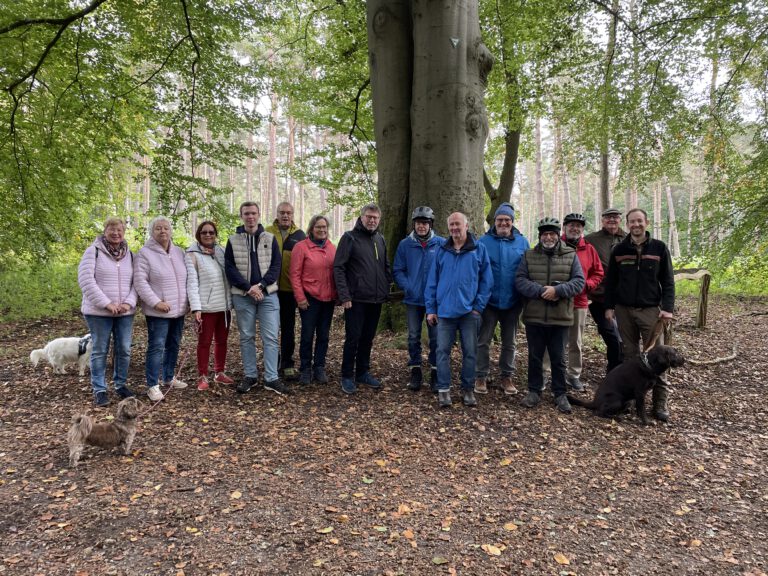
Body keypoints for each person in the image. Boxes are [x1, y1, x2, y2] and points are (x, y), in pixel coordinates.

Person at [604, 207, 675, 421]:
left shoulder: (659, 248)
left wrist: (667, 308)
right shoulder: (619, 250)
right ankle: (633, 401)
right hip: (624, 311)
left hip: (651, 311)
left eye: (639, 221)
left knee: (660, 357)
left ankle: (660, 404)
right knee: (631, 357)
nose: (636, 225)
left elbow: (668, 281)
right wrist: (609, 307)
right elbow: (611, 282)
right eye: (632, 222)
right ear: (627, 225)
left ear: (646, 222)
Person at [515, 217, 585, 414]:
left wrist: (559, 291)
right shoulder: (529, 255)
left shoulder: (571, 255)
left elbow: (579, 282)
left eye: (552, 233)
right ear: (540, 236)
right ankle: (534, 391)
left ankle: (560, 393)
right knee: (535, 356)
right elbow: (520, 280)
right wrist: (540, 291)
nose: (548, 237)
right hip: (534, 316)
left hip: (560, 317)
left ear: (557, 235)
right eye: (545, 234)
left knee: (558, 357)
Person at [425, 212, 493, 408]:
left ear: (466, 225)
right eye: (451, 225)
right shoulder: (441, 250)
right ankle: (444, 389)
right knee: (442, 351)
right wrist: (431, 309)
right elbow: (432, 281)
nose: (455, 228)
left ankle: (468, 389)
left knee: (470, 352)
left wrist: (477, 308)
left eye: (458, 224)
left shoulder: (478, 249)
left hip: (468, 313)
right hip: (445, 313)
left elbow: (486, 281)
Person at [225, 201, 290, 395]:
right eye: (246, 213)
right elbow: (230, 268)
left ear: (259, 214)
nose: (250, 217)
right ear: (241, 216)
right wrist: (248, 288)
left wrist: (260, 286)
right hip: (243, 296)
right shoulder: (232, 240)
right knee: (247, 337)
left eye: (253, 213)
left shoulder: (269, 239)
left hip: (268, 294)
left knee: (270, 337)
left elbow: (275, 267)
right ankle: (250, 376)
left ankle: (271, 378)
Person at [78, 217, 138, 407]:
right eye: (111, 229)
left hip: (124, 313)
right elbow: (86, 281)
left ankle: (120, 384)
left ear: (124, 232)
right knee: (100, 350)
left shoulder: (130, 255)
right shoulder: (93, 252)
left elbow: (137, 282)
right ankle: (100, 389)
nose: (115, 233)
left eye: (119, 230)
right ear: (105, 231)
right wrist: (107, 303)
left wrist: (128, 303)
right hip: (98, 312)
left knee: (124, 349)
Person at [333, 203, 392, 394]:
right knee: (353, 338)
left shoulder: (380, 239)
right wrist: (344, 295)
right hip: (355, 299)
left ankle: (363, 372)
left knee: (368, 338)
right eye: (369, 217)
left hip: (376, 299)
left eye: (375, 217)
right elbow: (339, 267)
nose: (372, 220)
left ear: (379, 219)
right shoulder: (350, 238)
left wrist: (386, 288)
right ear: (362, 217)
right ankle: (347, 375)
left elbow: (385, 267)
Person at [475, 202, 530, 396]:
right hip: (489, 301)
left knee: (510, 342)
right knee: (483, 341)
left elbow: (528, 271)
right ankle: (480, 375)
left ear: (512, 222)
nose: (503, 223)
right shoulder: (483, 242)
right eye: (500, 220)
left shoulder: (522, 243)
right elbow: (477, 271)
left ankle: (507, 376)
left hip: (513, 302)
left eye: (507, 220)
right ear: (494, 222)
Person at [134, 216, 189, 402]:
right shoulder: (144, 254)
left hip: (179, 309)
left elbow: (187, 279)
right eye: (158, 228)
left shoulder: (180, 252)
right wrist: (156, 302)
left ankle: (168, 377)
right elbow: (140, 282)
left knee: (173, 344)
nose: (163, 231)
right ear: (152, 232)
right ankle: (152, 385)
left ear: (171, 231)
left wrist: (188, 302)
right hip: (159, 311)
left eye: (166, 228)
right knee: (156, 347)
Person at [393, 206, 444, 392]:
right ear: (414, 224)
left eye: (425, 223)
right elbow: (398, 269)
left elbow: (445, 269)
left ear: (431, 224)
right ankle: (415, 369)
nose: (421, 226)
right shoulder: (405, 245)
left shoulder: (441, 244)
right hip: (413, 299)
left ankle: (435, 371)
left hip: (434, 301)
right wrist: (408, 286)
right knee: (414, 335)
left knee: (435, 337)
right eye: (418, 223)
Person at [558, 212, 604, 391]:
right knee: (554, 338)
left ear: (583, 229)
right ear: (564, 227)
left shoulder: (589, 249)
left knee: (576, 340)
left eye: (578, 226)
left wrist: (587, 286)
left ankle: (573, 374)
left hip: (580, 300)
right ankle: (548, 372)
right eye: (571, 225)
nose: (574, 228)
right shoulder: (555, 244)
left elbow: (598, 272)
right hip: (557, 300)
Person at [290, 215, 337, 386]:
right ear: (311, 228)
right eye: (318, 227)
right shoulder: (301, 247)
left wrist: (338, 295)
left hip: (328, 299)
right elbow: (294, 275)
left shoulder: (332, 247)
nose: (322, 230)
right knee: (307, 335)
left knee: (323, 335)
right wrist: (300, 298)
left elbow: (337, 273)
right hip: (309, 299)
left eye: (324, 227)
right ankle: (305, 369)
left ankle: (319, 367)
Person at [186, 221, 233, 391]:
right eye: (204, 232)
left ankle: (219, 372)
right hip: (206, 306)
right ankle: (202, 375)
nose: (208, 235)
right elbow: (191, 283)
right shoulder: (192, 255)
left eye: (211, 232)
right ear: (199, 234)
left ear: (215, 234)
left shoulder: (220, 251)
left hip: (224, 306)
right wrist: (196, 307)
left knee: (222, 341)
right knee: (204, 342)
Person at [266, 202, 306, 380]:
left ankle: (287, 364)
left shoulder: (300, 235)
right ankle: (272, 363)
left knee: (288, 328)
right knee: (271, 329)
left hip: (290, 291)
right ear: (276, 213)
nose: (285, 216)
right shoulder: (267, 232)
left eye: (288, 213)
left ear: (293, 214)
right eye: (282, 212)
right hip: (270, 289)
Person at [584, 207, 626, 372]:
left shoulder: (628, 239)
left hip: (624, 298)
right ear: (602, 220)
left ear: (620, 220)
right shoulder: (591, 239)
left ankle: (617, 370)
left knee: (625, 338)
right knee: (611, 335)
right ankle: (614, 371)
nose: (612, 220)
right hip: (599, 297)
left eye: (615, 217)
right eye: (608, 217)